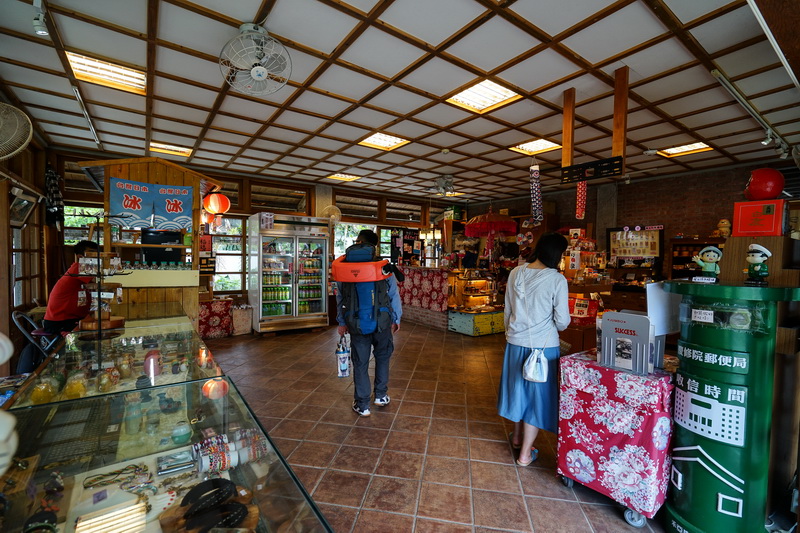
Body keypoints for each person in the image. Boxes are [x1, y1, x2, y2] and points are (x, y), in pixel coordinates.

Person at [497, 232, 570, 466]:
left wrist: (513, 333)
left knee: (518, 392)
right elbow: (563, 321)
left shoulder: (516, 272)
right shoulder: (557, 279)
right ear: (557, 254)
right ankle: (525, 455)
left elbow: (507, 311)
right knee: (536, 400)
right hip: (543, 348)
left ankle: (517, 437)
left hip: (515, 344)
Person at [336, 230, 402, 417]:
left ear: (357, 243)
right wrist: (396, 319)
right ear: (374, 246)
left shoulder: (344, 267)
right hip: (382, 322)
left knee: (361, 363)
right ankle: (380, 396)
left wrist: (342, 322)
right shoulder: (383, 266)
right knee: (382, 357)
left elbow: (340, 298)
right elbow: (393, 295)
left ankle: (363, 405)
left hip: (356, 323)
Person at [43, 240, 99, 335]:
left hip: (71, 318)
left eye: (97, 253)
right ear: (80, 256)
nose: (96, 256)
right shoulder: (79, 268)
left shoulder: (82, 269)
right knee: (96, 331)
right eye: (91, 253)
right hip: (60, 321)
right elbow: (97, 284)